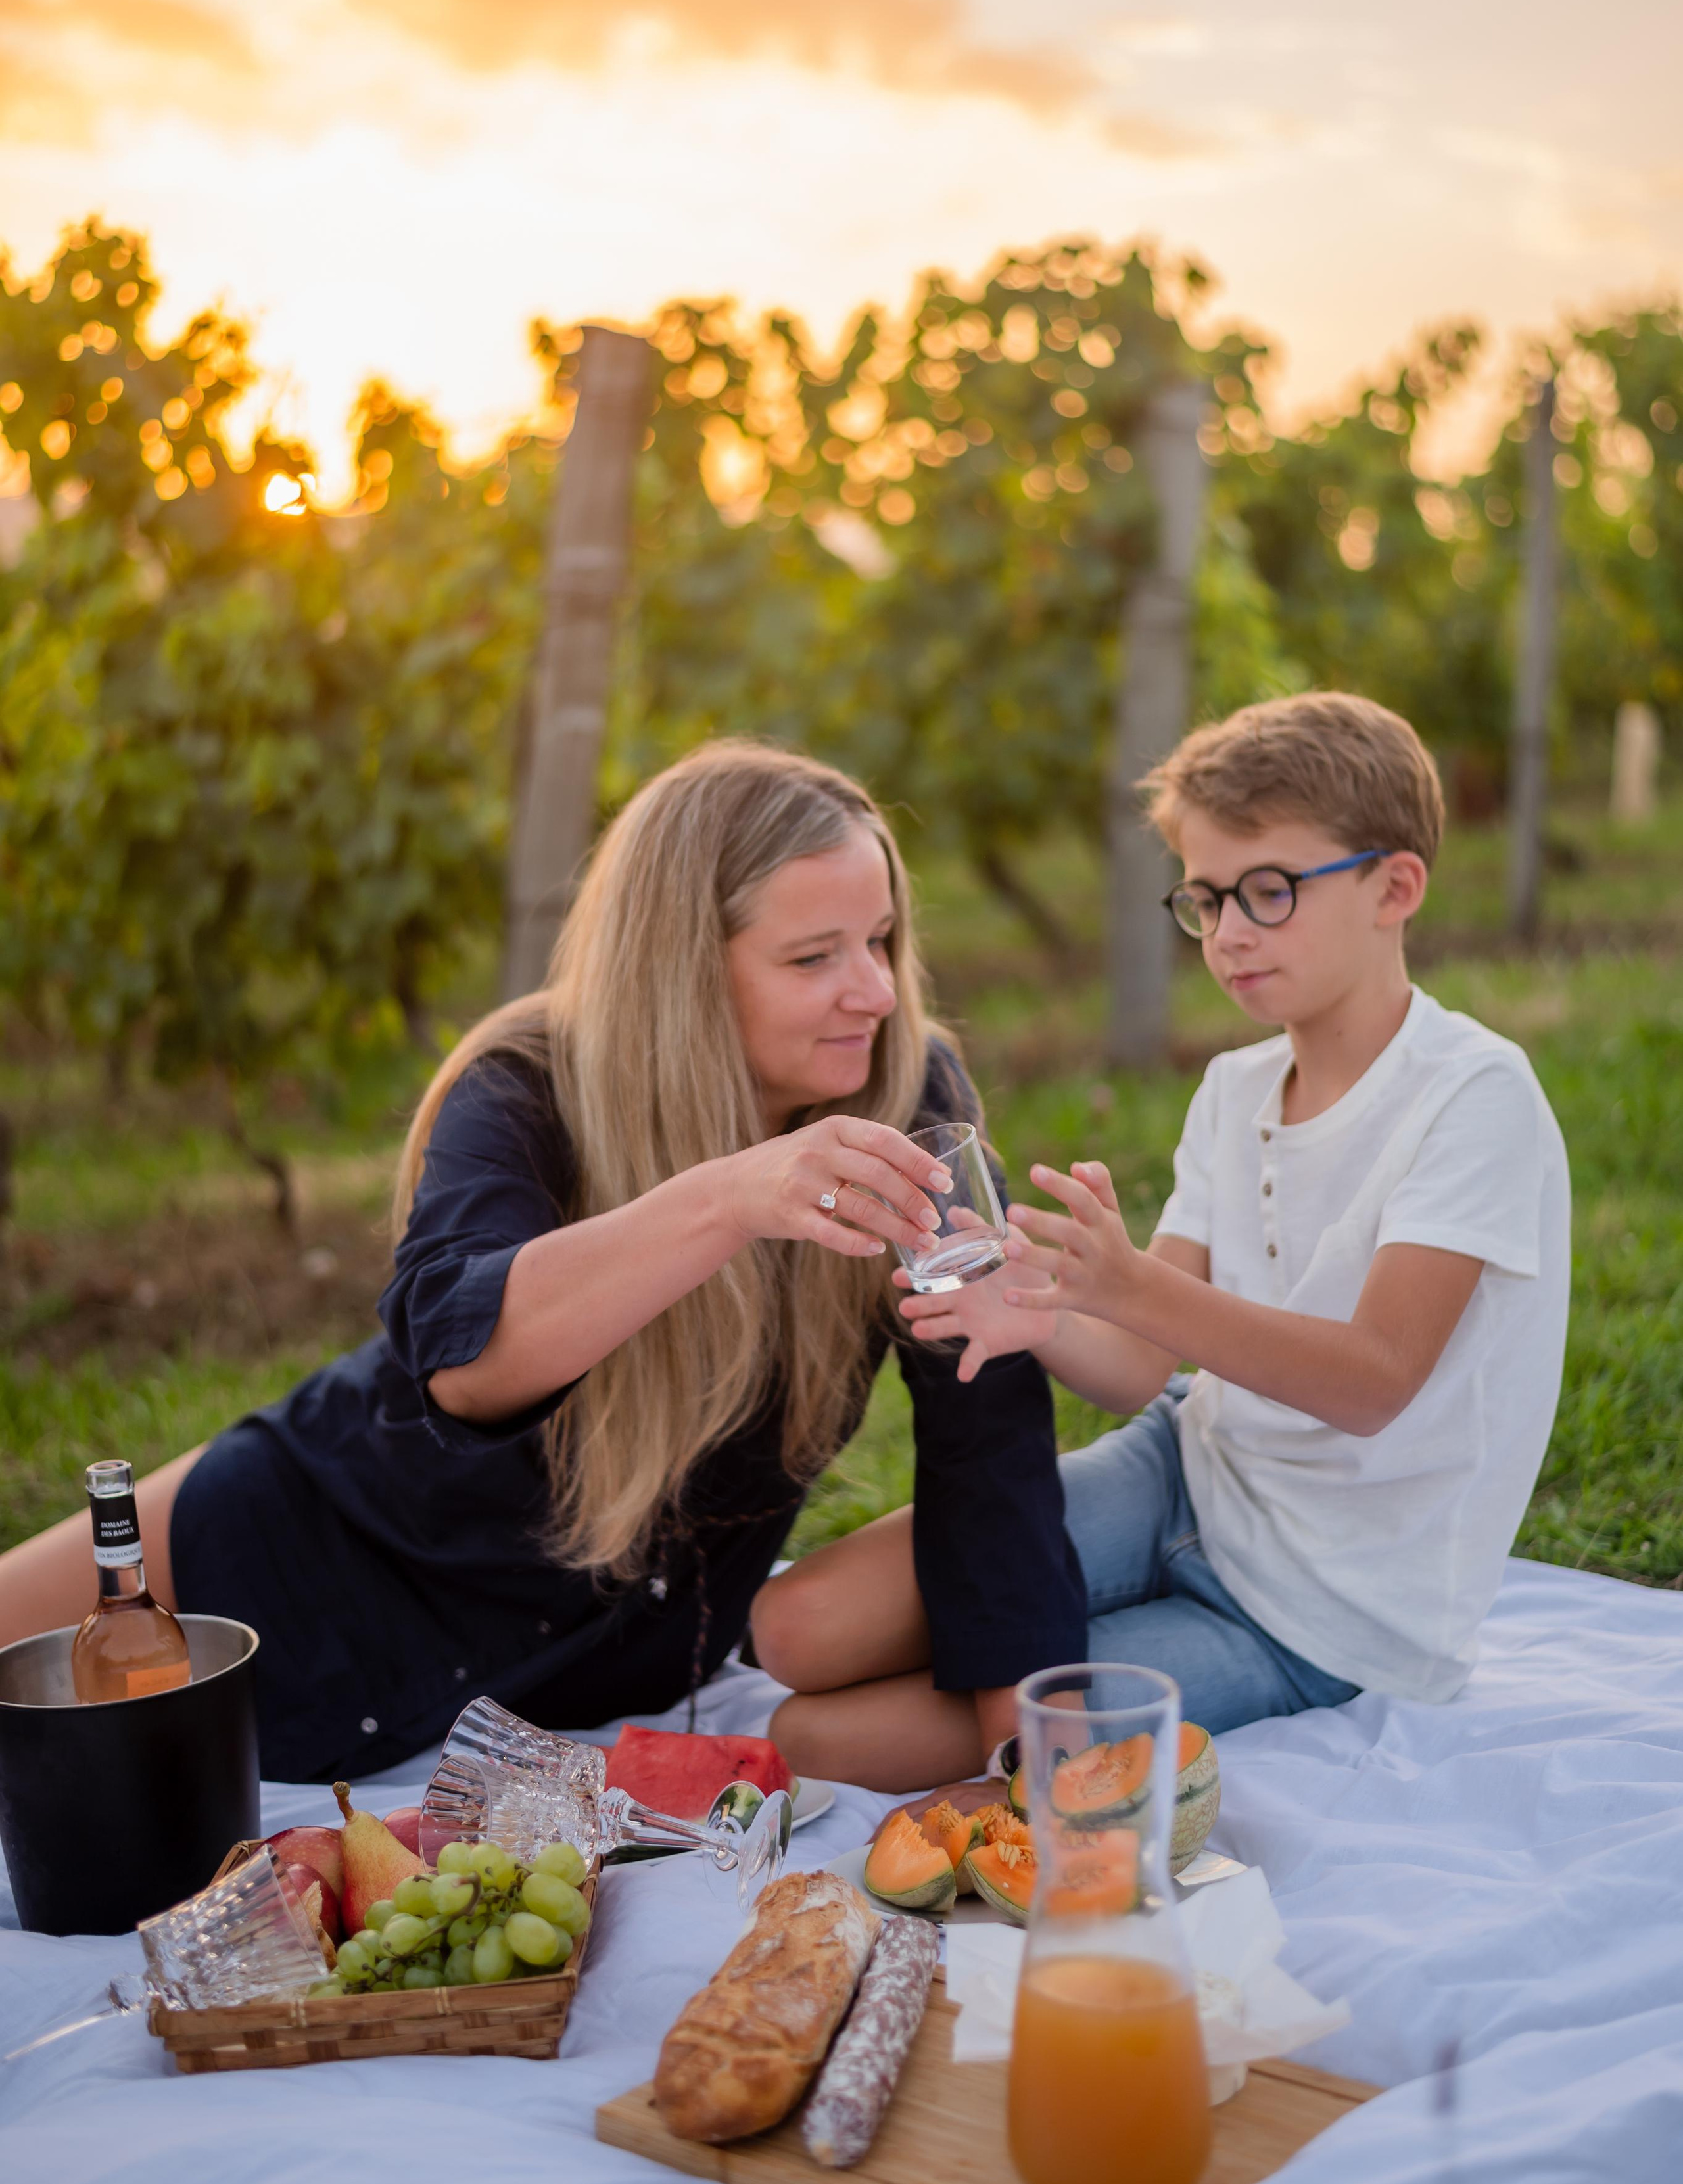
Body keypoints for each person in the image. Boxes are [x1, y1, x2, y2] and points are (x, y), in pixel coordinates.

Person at [0, 743, 1083, 1790]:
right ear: (681, 973)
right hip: (306, 1541)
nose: (878, 994)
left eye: (882, 942)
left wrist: (1040, 1765)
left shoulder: (908, 1097)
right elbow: (464, 1362)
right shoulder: (528, 1083)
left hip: (579, 1671)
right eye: (815, 957)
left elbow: (986, 1446)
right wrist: (732, 1196)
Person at [886, 691, 1571, 1733]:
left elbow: (1375, 1382)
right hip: (1188, 1472)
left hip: (1327, 1607)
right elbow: (1136, 1368)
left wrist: (1134, 1286)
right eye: (1206, 900)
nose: (1230, 934)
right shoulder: (1235, 1089)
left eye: (1269, 892)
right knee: (807, 1627)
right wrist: (1052, 1314)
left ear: (1396, 887)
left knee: (845, 1729)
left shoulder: (1476, 1093)